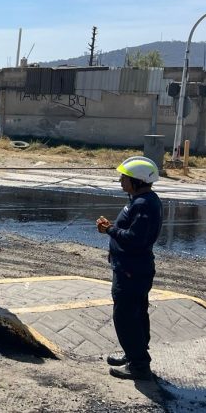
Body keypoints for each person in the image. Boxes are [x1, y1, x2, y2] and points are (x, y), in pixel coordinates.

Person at [96, 156, 163, 381]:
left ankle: (139, 366)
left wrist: (110, 230)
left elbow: (135, 239)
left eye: (124, 177)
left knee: (126, 317)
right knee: (136, 313)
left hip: (132, 271)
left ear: (136, 180)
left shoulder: (144, 204)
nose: (120, 181)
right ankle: (135, 354)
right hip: (130, 267)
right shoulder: (140, 199)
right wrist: (113, 234)